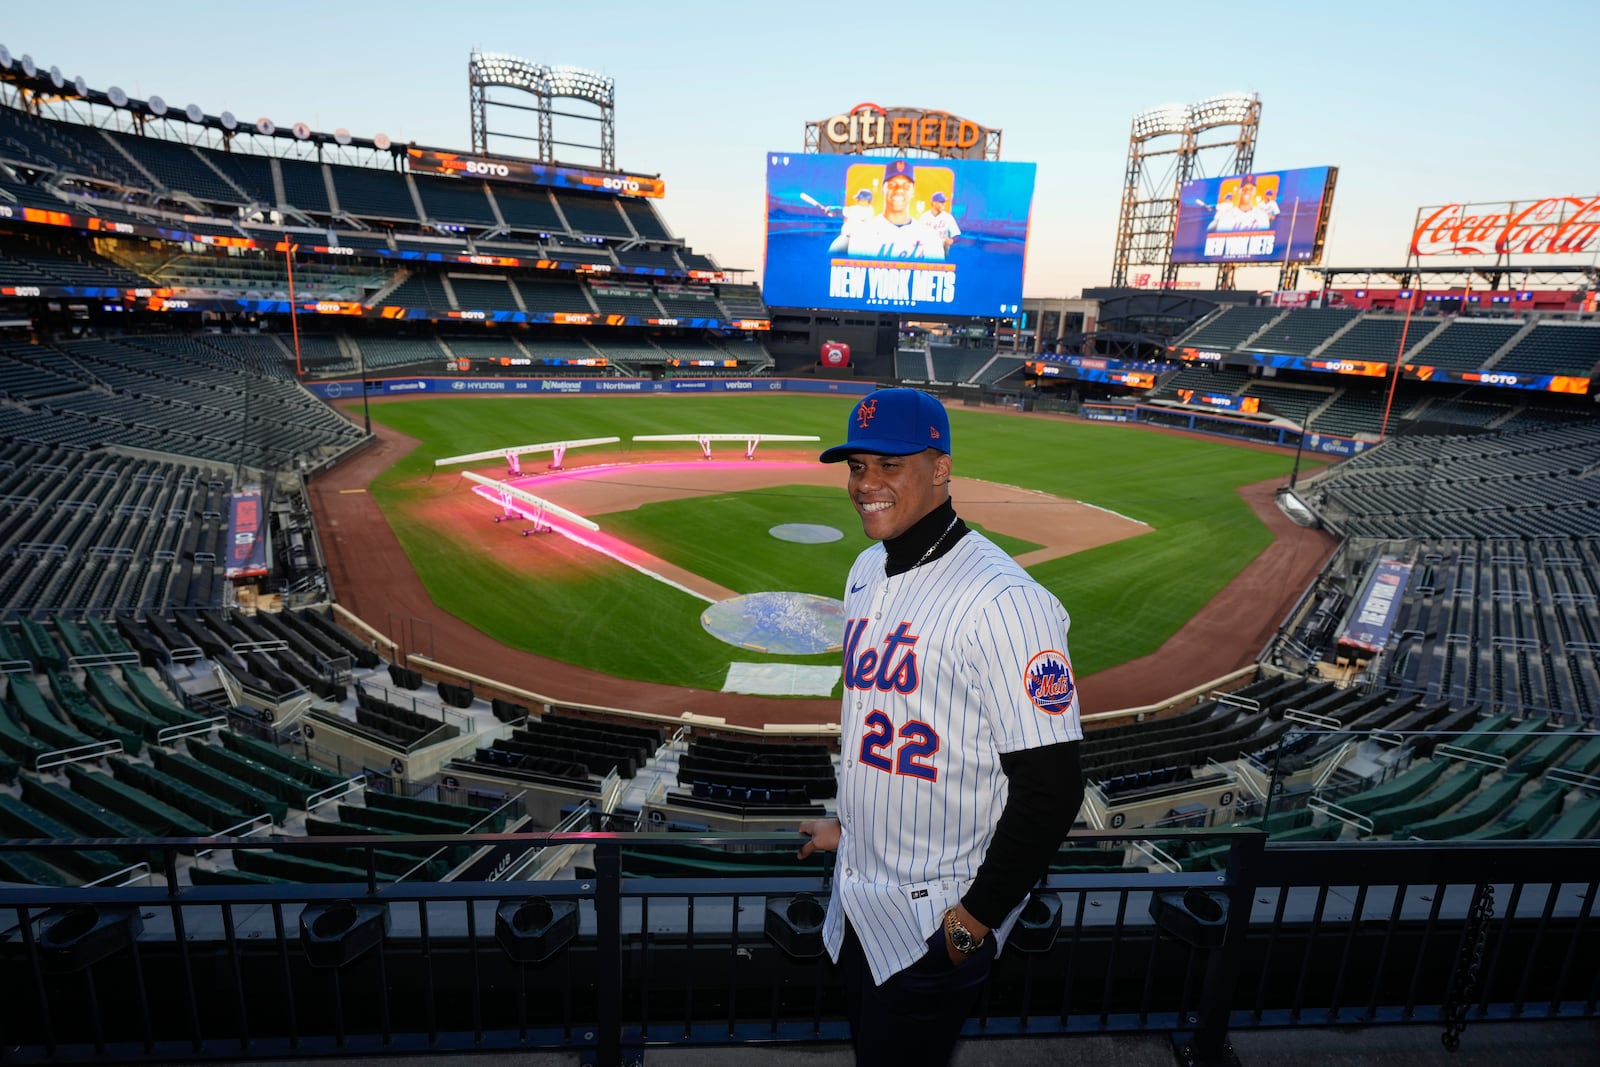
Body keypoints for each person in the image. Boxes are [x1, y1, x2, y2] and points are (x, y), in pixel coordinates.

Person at [798, 388, 1086, 1067]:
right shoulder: (865, 570)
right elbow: (891, 729)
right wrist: (850, 827)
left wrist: (972, 922)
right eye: (856, 465)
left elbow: (1051, 790)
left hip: (935, 923)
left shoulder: (1008, 602)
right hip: (858, 904)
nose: (866, 483)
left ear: (941, 468)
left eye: (889, 464)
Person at [829, 158, 944, 260]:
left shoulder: (930, 238)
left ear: (913, 191)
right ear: (882, 189)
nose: (899, 190)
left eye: (906, 186)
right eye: (892, 185)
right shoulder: (862, 233)